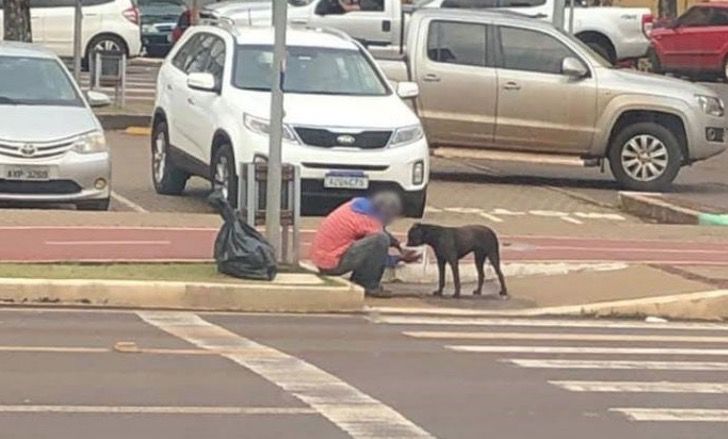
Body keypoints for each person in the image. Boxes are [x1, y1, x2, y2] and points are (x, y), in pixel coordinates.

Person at [310, 192, 419, 297]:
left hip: (323, 258)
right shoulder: (369, 220)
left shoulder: (357, 206)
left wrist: (398, 245)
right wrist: (399, 259)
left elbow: (377, 230)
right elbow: (379, 253)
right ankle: (368, 285)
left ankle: (360, 280)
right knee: (381, 239)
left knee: (377, 238)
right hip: (332, 263)